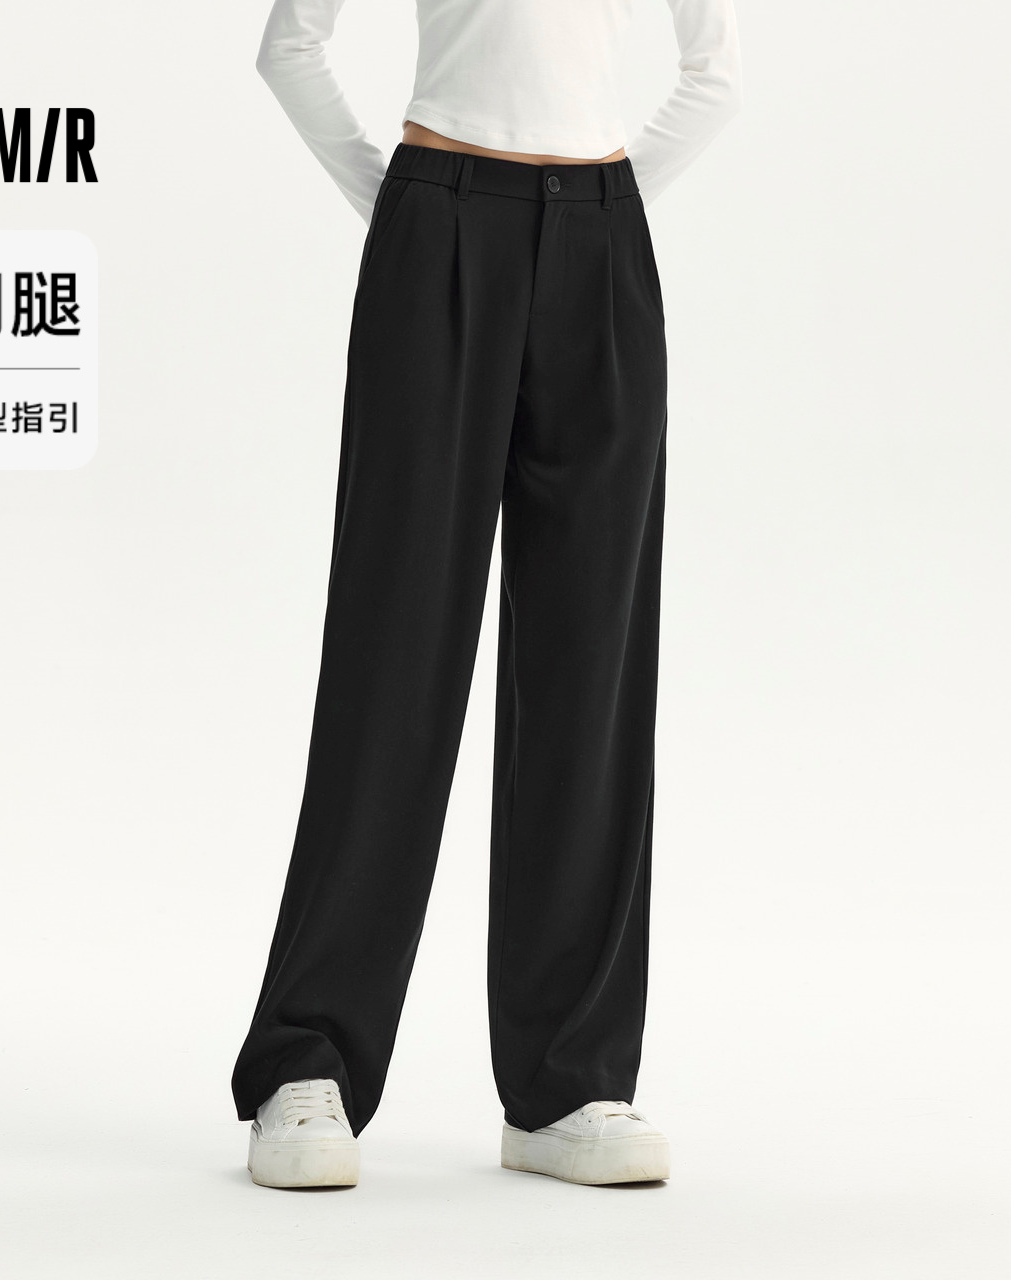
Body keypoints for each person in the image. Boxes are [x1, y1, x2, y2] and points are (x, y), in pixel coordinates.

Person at [232, 0, 743, 1189]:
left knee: (589, 666)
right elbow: (289, 45)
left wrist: (595, 217)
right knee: (395, 647)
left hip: (600, 244)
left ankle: (568, 1081)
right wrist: (404, 205)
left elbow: (717, 75)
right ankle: (306, 1059)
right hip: (438, 219)